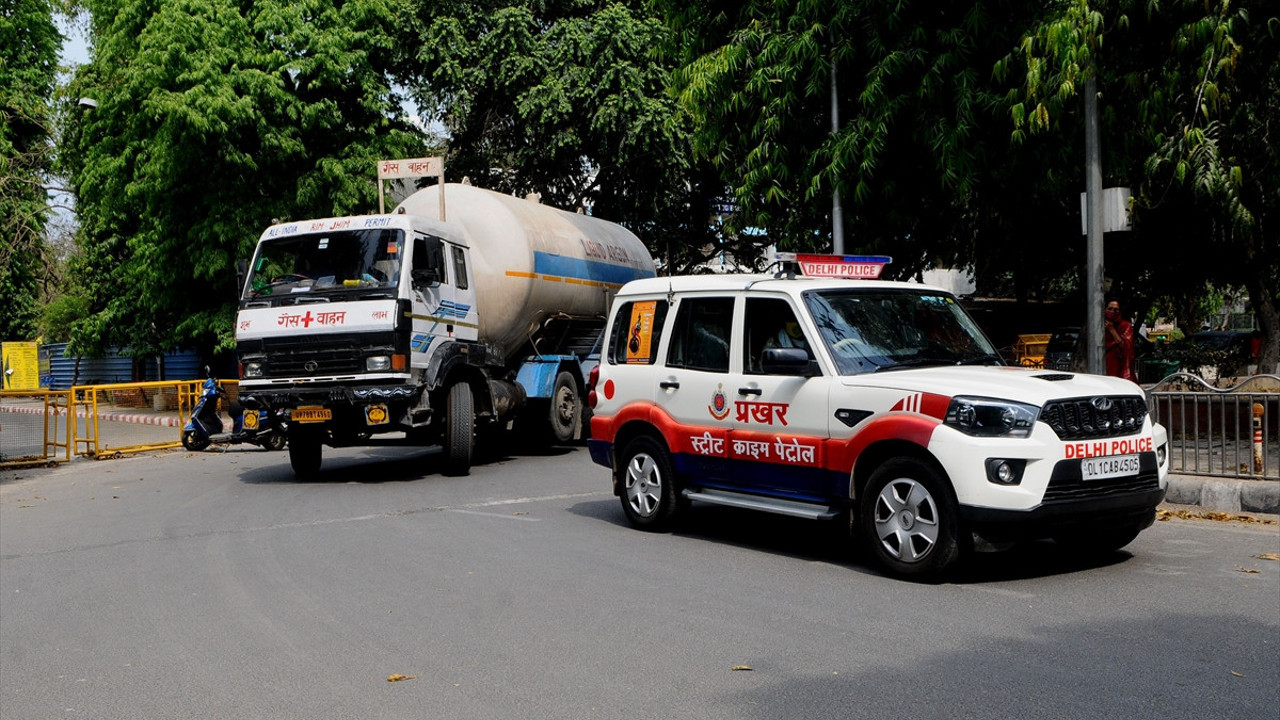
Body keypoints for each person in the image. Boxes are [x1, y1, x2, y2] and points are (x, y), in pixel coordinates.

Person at [1104, 299, 1134, 380]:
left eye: (1116, 310)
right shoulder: (1098, 326)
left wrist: (1112, 330)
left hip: (1119, 367)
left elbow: (1126, 347)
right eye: (1110, 309)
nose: (1112, 312)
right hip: (1101, 366)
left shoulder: (1125, 326)